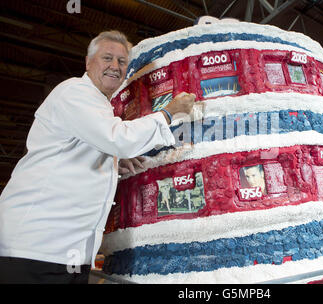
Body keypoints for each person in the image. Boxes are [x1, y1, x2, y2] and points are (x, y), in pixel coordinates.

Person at [0, 30, 196, 283]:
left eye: (122, 61)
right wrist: (169, 113)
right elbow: (118, 138)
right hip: (35, 248)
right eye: (107, 58)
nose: (115, 66)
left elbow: (89, 145)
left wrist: (112, 160)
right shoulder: (74, 92)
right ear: (88, 62)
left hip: (66, 253)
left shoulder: (98, 106)